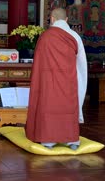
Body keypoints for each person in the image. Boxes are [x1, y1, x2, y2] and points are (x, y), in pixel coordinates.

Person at [25, 8, 87, 150]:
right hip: (69, 83)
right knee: (68, 108)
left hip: (49, 83)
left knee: (49, 106)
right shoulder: (75, 36)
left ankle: (48, 140)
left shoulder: (45, 36)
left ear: (52, 19)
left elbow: (38, 66)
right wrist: (80, 82)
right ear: (66, 20)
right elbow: (82, 64)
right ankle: (71, 140)